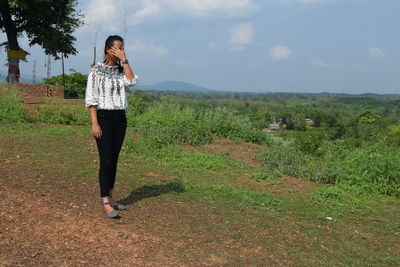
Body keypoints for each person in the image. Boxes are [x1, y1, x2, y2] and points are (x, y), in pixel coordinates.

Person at [85, 35, 139, 218]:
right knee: (106, 160)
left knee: (114, 159)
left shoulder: (121, 70)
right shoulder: (96, 71)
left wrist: (125, 60)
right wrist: (94, 123)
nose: (122, 51)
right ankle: (105, 200)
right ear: (109, 49)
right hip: (104, 117)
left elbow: (131, 81)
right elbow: (91, 99)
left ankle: (111, 196)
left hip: (120, 118)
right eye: (119, 48)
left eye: (123, 48)